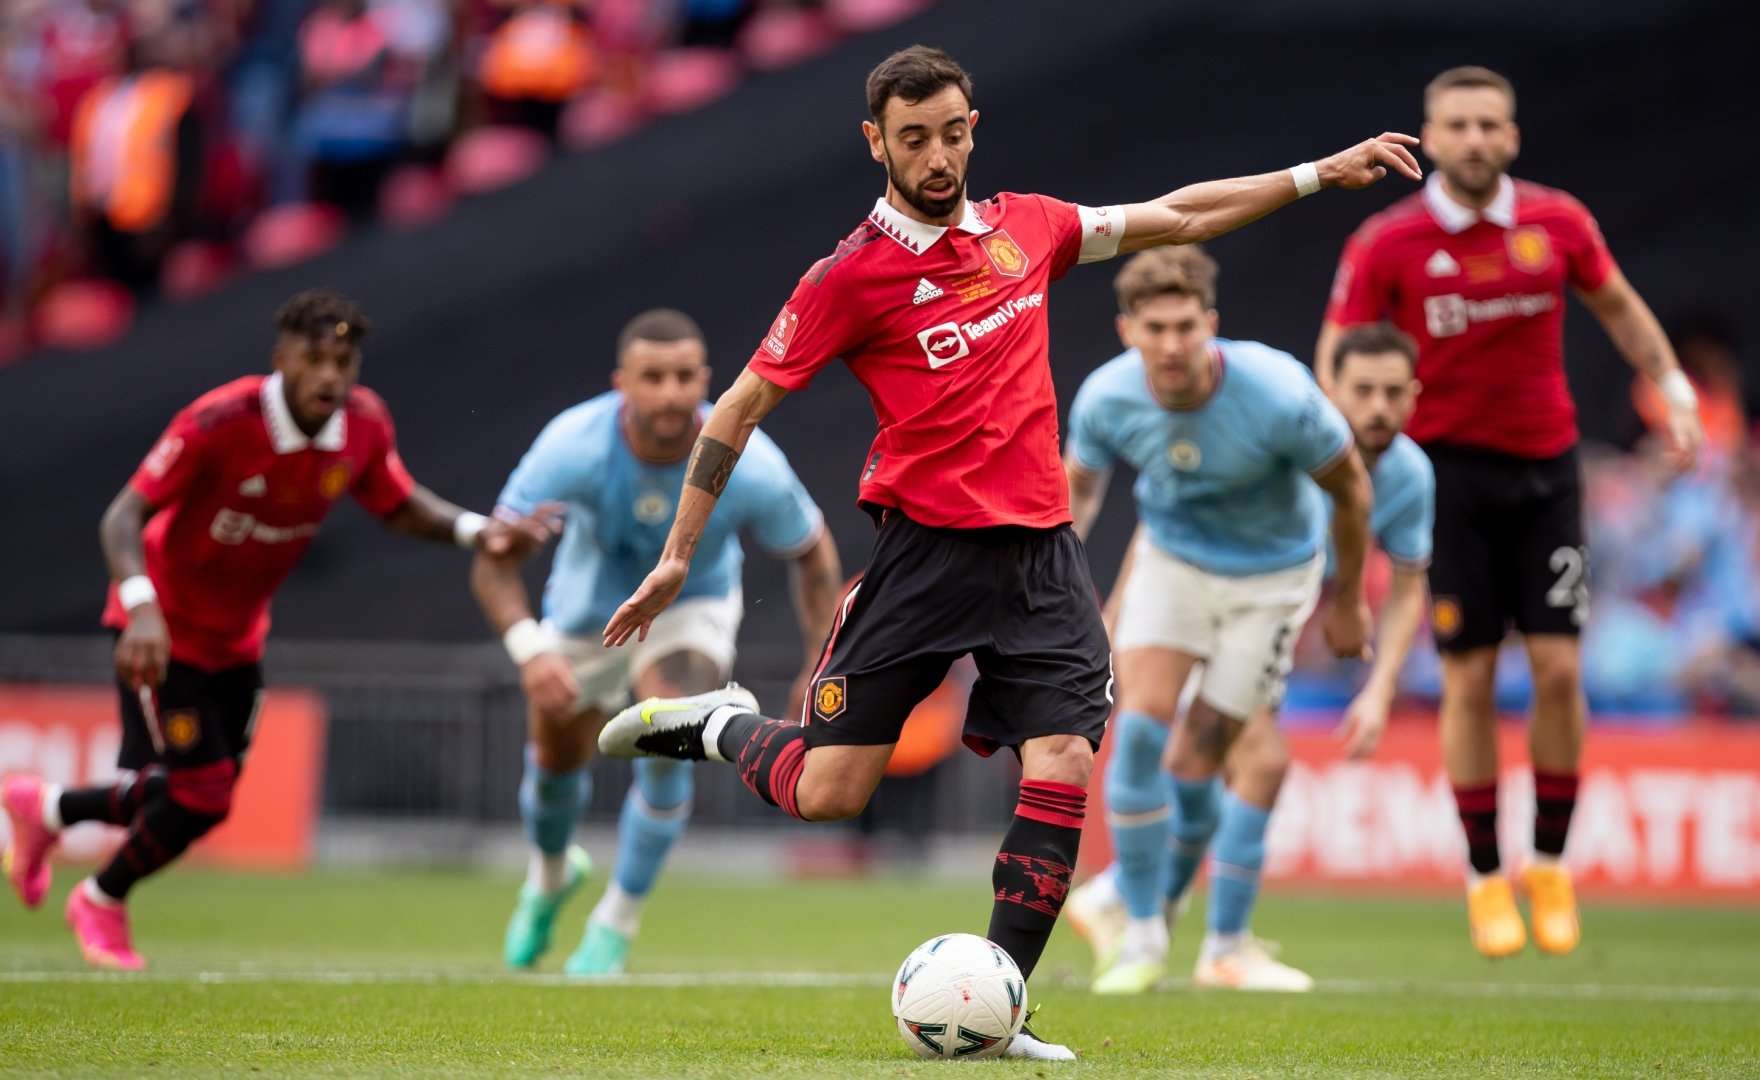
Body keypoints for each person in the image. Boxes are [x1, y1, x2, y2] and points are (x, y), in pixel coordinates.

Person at [595, 45, 1419, 1059]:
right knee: (829, 791)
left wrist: (1313, 175)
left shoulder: (1028, 228)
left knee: (1065, 758)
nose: (936, 156)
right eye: (912, 139)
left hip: (1039, 557)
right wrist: (679, 554)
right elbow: (741, 403)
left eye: (950, 132)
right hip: (923, 560)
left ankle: (1005, 1006)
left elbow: (1179, 214)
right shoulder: (850, 276)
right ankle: (723, 726)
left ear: (972, 125)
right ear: (875, 144)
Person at [0, 289, 559, 971]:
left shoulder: (362, 424)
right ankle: (99, 898)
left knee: (204, 798)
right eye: (314, 358)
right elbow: (120, 519)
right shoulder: (219, 420)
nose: (330, 375)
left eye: (343, 361)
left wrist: (481, 531)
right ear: (281, 358)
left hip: (237, 638)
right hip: (162, 630)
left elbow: (396, 503)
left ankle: (46, 807)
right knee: (197, 790)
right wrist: (141, 608)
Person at [1313, 66, 1702, 958]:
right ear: (1431, 135)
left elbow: (1619, 307)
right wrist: (1341, 441)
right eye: (1459, 125)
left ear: (1513, 137)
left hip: (1546, 473)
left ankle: (1551, 863)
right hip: (1444, 480)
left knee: (1562, 670)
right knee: (1470, 680)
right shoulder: (1387, 242)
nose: (1476, 139)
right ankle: (1486, 874)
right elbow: (1337, 350)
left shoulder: (1557, 223)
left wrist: (1671, 384)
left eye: (1491, 124)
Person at [1060, 315, 1434, 994]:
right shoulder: (1284, 429)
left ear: (1413, 396)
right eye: (1362, 391)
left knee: (1206, 762)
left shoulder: (1407, 476)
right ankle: (1206, 940)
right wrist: (1119, 608)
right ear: (1330, 389)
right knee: (1254, 760)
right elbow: (1179, 511)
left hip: (1266, 612)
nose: (1377, 409)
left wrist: (1380, 689)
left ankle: (1128, 901)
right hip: (1202, 595)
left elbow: (1409, 586)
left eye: (1392, 393)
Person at [470, 308, 841, 974]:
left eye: (683, 376)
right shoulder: (572, 446)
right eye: (653, 377)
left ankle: (615, 924)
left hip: (690, 610)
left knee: (672, 723)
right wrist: (531, 651)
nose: (670, 392)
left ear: (704, 379)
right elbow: (492, 557)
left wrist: (819, 663)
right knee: (556, 764)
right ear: (622, 384)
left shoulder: (750, 460)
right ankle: (550, 876)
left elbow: (811, 552)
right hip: (588, 618)